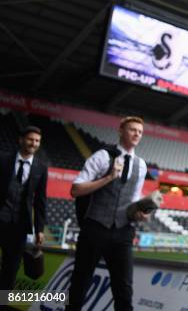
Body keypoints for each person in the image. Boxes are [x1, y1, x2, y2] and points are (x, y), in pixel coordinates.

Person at [67, 116, 149, 310]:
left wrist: (141, 213)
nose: (137, 133)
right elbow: (75, 190)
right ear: (121, 130)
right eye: (132, 129)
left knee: (124, 288)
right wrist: (108, 178)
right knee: (80, 282)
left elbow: (133, 199)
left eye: (140, 131)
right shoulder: (102, 156)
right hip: (95, 228)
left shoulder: (142, 165)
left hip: (123, 232)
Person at [0, 126, 47, 290]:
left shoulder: (41, 168)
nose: (33, 143)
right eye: (30, 139)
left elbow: (40, 200)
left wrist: (40, 228)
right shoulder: (3, 159)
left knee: (11, 269)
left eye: (37, 141)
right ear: (21, 139)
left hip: (20, 226)